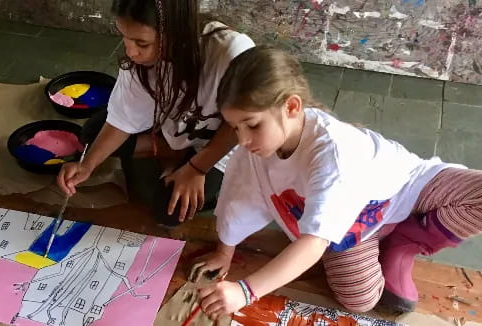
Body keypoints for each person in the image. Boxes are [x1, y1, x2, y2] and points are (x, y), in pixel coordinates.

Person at [193, 46, 482, 319]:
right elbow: (240, 196)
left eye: (253, 124)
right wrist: (224, 251)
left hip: (403, 188)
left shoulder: (332, 151)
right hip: (352, 226)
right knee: (361, 299)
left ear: (292, 107)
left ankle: (406, 239)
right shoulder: (257, 148)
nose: (243, 140)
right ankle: (391, 239)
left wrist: (246, 291)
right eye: (235, 128)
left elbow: (314, 243)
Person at [56, 0, 255, 226]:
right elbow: (122, 118)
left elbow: (241, 126)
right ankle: (169, 150)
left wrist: (198, 167)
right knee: (92, 135)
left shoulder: (231, 53)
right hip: (172, 126)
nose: (130, 51)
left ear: (177, 34)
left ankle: (181, 156)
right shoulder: (138, 61)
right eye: (124, 37)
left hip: (216, 146)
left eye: (142, 42)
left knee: (168, 211)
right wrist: (87, 166)